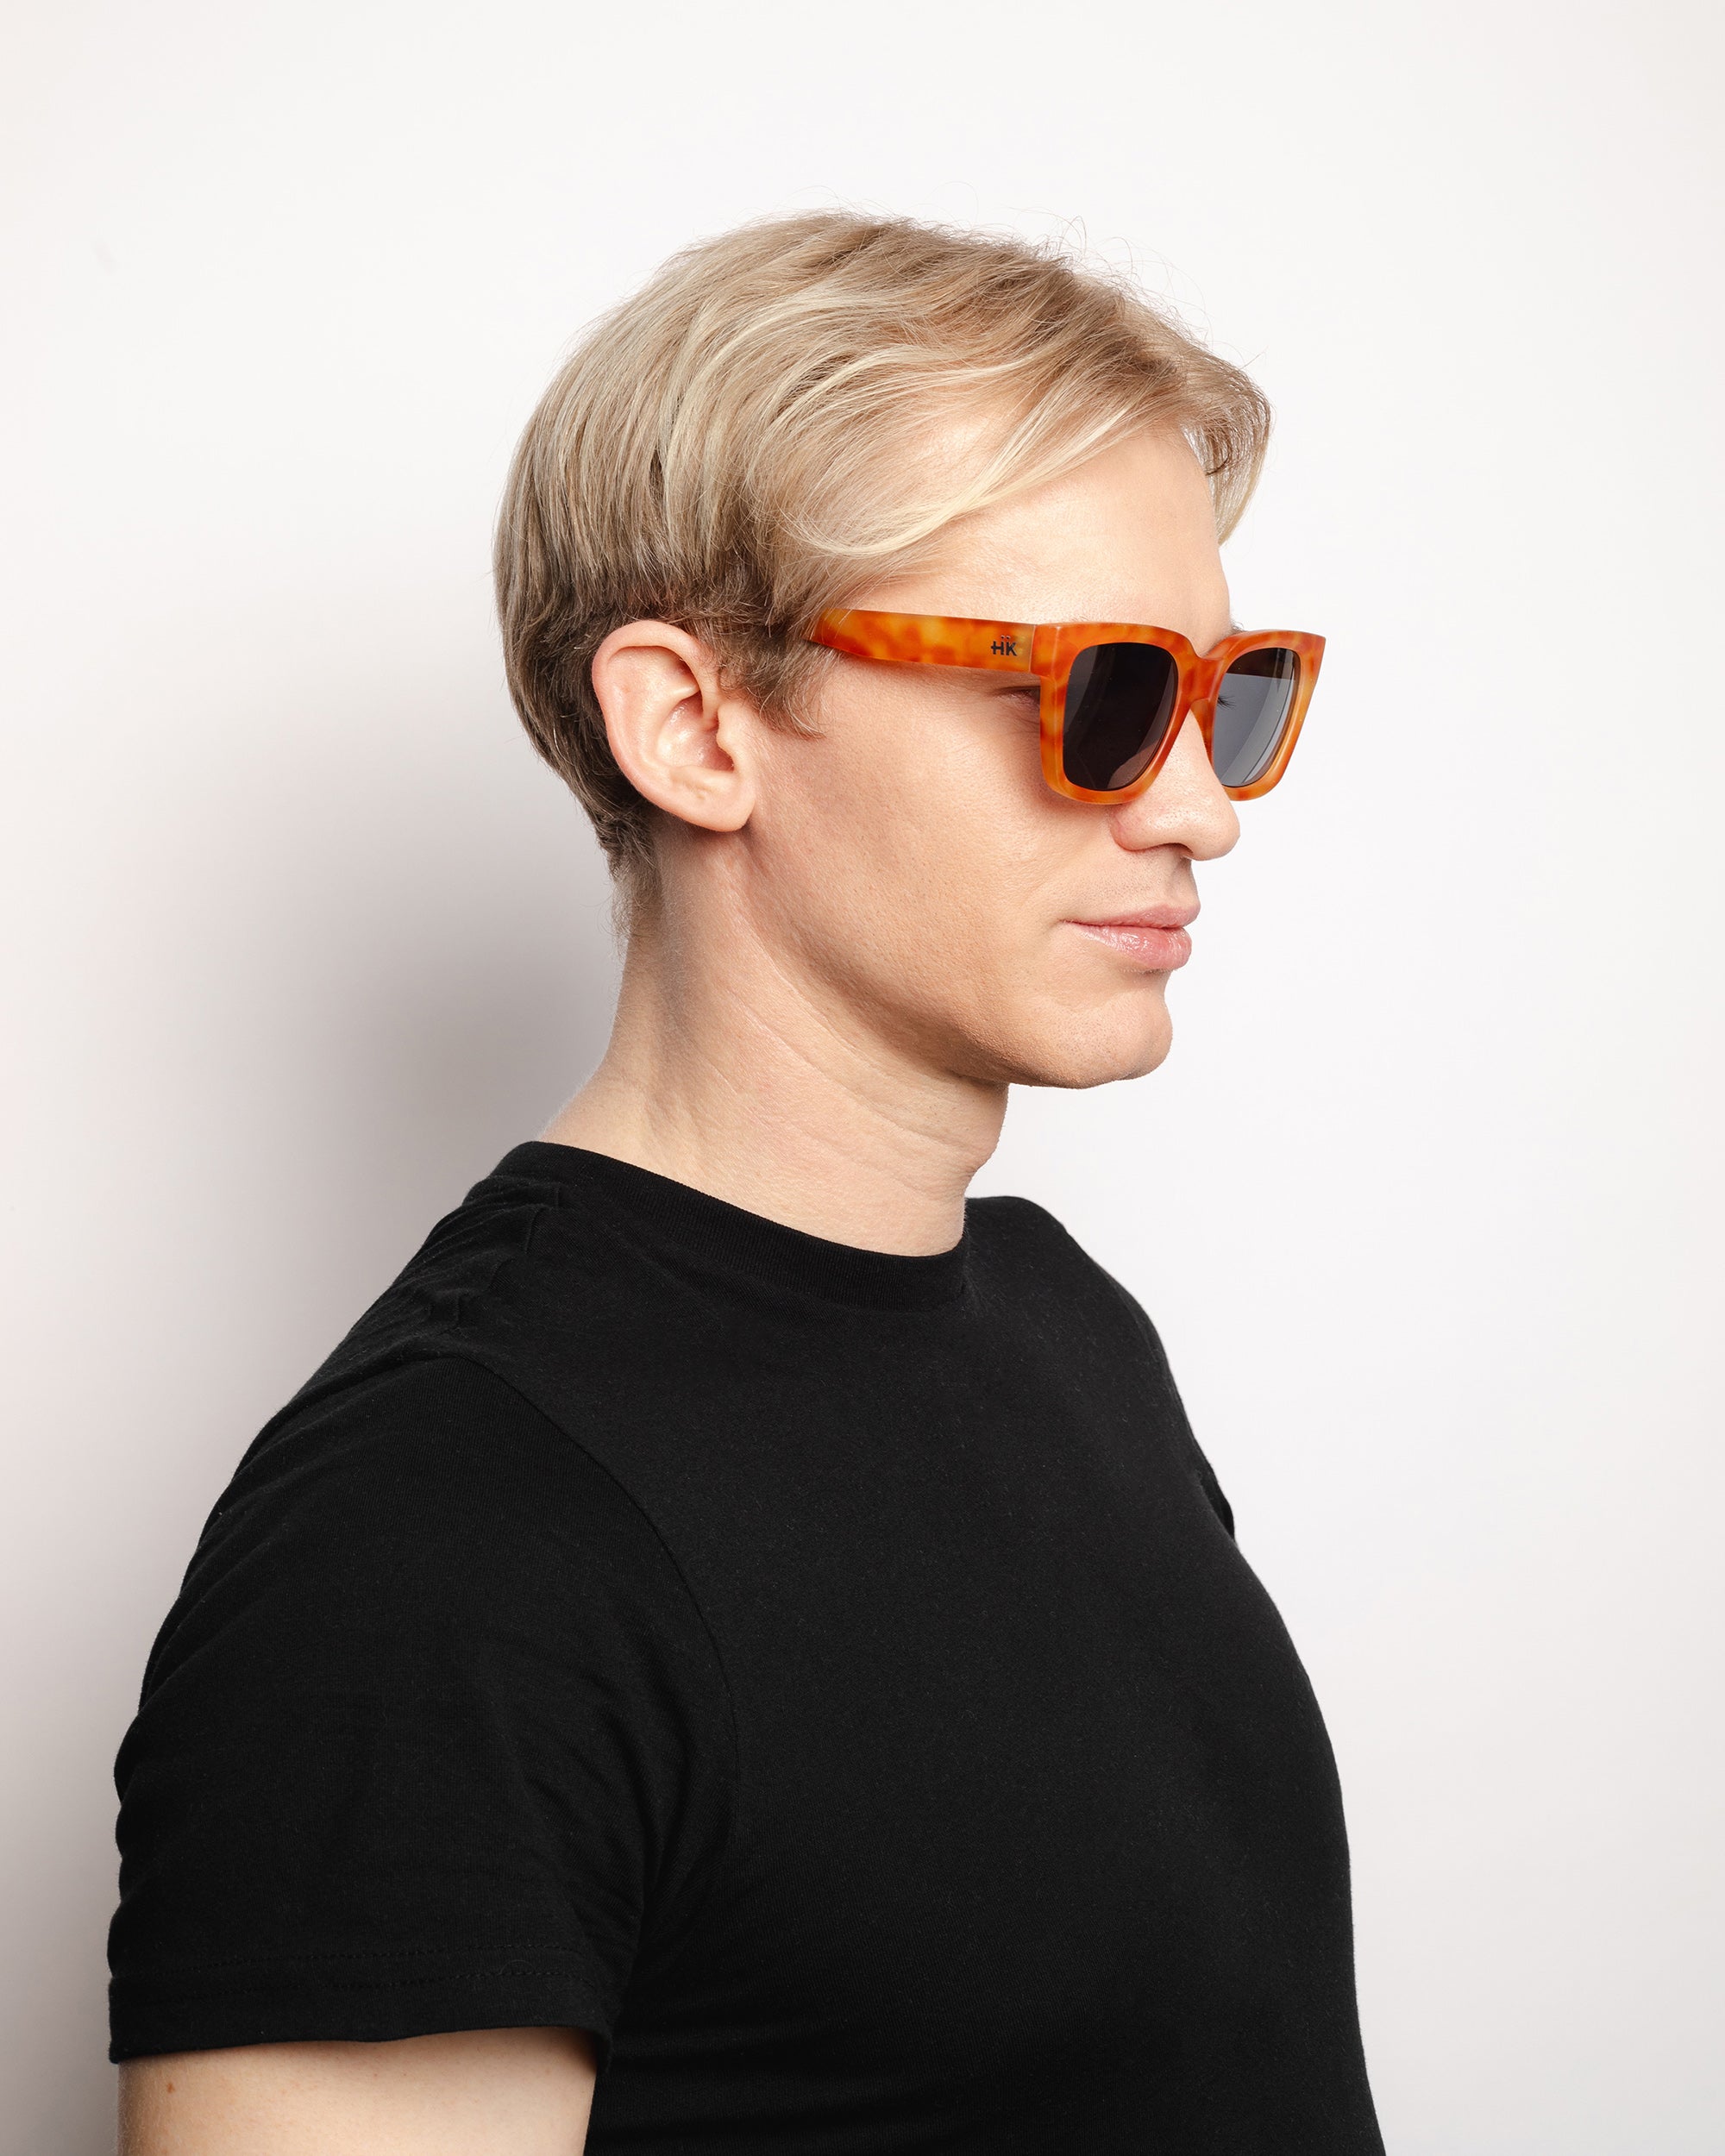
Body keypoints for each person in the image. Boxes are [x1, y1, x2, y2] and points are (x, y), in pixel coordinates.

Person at [109, 210, 1383, 2154]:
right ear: (696, 728)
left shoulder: (1063, 1326)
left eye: (1231, 693)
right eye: (1103, 690)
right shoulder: (436, 1542)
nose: (1200, 808)